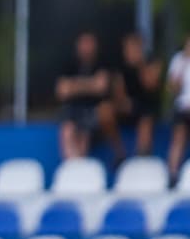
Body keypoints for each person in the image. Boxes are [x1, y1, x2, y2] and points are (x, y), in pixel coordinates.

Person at [57, 31, 117, 162]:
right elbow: (62, 91)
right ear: (78, 46)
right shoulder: (69, 64)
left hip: (93, 113)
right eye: (84, 44)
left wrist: (74, 85)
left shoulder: (103, 63)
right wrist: (91, 84)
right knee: (67, 131)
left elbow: (101, 87)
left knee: (85, 136)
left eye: (90, 44)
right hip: (73, 112)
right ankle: (72, 169)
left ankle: (80, 170)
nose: (87, 48)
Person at [115, 32, 161, 160]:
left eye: (135, 46)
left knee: (145, 117)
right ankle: (120, 154)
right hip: (129, 107)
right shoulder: (121, 66)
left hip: (147, 106)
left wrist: (140, 65)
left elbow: (151, 85)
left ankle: (142, 155)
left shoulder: (152, 61)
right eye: (128, 47)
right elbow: (119, 94)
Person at [167, 36, 190, 175]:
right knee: (178, 138)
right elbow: (173, 88)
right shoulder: (178, 60)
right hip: (182, 107)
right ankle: (172, 174)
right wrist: (184, 63)